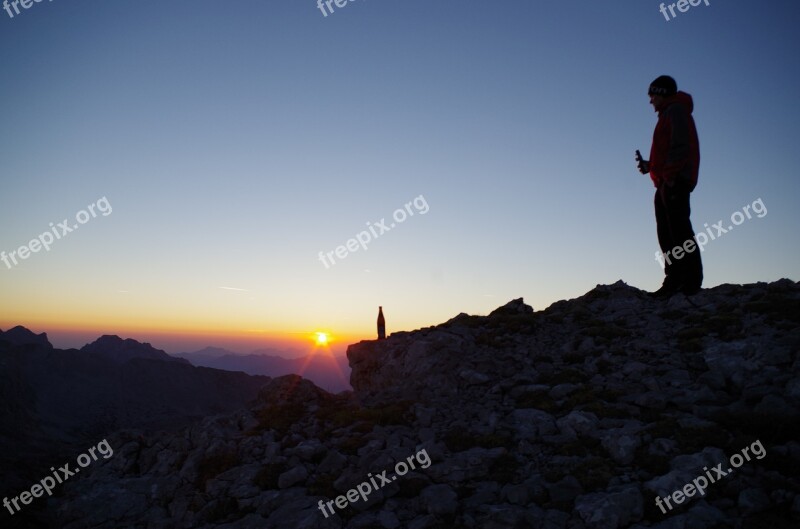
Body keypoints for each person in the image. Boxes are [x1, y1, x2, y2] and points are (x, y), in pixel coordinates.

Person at [636, 75, 703, 298]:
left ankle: (689, 282)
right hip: (665, 181)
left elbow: (680, 145)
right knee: (667, 233)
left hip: (674, 182)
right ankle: (674, 280)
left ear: (661, 93)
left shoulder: (675, 111)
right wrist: (650, 166)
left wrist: (671, 177)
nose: (650, 101)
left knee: (679, 232)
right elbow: (670, 149)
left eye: (652, 95)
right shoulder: (668, 114)